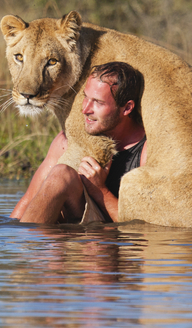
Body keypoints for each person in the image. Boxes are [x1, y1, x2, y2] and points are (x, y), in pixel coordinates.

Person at [10, 61, 147, 224]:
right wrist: (7, 242)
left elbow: (142, 225)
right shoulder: (65, 141)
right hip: (72, 237)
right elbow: (27, 203)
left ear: (127, 108)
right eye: (85, 97)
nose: (85, 109)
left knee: (61, 174)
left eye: (98, 102)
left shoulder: (146, 150)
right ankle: (29, 244)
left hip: (114, 239)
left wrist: (99, 190)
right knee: (61, 174)